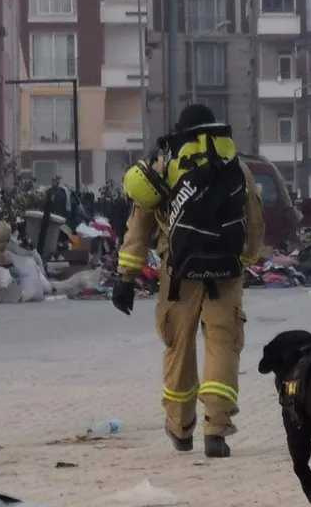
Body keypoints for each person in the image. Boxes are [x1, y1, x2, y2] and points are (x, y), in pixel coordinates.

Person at [112, 104, 264, 458]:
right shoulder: (236, 166)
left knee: (178, 348)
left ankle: (181, 428)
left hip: (178, 273)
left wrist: (126, 277)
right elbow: (254, 218)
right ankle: (217, 429)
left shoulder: (164, 167)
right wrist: (248, 258)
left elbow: (139, 224)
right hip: (226, 274)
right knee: (222, 344)